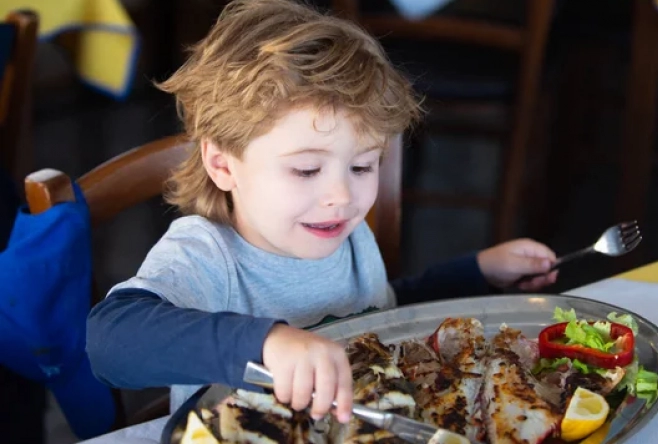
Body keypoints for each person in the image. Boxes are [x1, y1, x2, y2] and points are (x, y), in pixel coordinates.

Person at [86, 0, 558, 424]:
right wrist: (268, 342)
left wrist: (476, 273)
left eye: (362, 165)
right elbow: (109, 343)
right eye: (307, 170)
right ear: (222, 165)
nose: (341, 194)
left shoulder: (344, 235)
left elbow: (383, 312)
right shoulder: (206, 255)